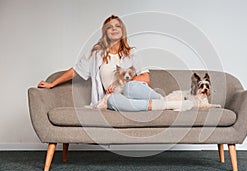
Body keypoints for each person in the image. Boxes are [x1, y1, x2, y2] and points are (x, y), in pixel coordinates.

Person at [38, 15, 193, 112]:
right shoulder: (97, 53)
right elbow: (76, 71)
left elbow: (146, 78)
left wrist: (120, 83)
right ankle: (167, 105)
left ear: (122, 31)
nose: (114, 29)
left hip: (136, 94)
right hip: (118, 98)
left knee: (130, 86)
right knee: (111, 100)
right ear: (105, 32)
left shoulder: (132, 53)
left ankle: (162, 101)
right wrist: (53, 83)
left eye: (117, 26)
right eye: (109, 27)